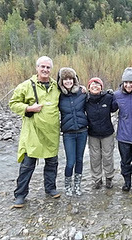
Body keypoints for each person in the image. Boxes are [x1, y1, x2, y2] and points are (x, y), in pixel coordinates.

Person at [9, 56, 61, 208]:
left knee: (52, 163)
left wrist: (81, 89)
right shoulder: (26, 85)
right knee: (27, 165)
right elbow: (13, 103)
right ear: (37, 68)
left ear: (51, 70)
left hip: (51, 133)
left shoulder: (56, 86)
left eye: (48, 67)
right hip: (33, 133)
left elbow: (70, 90)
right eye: (42, 67)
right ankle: (20, 195)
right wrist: (28, 108)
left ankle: (50, 188)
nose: (45, 70)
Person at [57, 67, 88, 197]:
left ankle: (77, 185)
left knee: (80, 160)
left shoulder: (82, 93)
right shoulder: (58, 96)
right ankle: (67, 186)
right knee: (70, 161)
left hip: (82, 131)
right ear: (61, 81)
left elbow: (95, 99)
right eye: (65, 79)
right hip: (68, 133)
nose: (68, 81)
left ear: (74, 80)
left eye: (70, 78)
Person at [85, 77, 118, 189]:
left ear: (101, 87)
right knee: (94, 158)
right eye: (92, 84)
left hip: (107, 133)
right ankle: (97, 180)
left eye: (98, 84)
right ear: (88, 88)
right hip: (92, 133)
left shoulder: (107, 97)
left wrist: (114, 96)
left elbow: (114, 108)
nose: (95, 86)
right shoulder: (86, 100)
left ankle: (109, 178)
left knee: (108, 157)